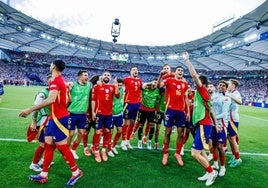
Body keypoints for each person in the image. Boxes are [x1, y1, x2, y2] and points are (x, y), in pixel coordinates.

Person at [19, 59, 83, 186]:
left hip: (59, 119)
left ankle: (76, 172)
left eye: (50, 65)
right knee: (48, 145)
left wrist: (29, 109)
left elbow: (51, 99)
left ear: (53, 66)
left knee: (62, 146)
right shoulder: (62, 81)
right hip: (54, 118)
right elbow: (67, 100)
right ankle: (43, 174)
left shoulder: (55, 80)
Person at [183, 51, 220, 186]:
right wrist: (216, 124)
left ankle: (211, 172)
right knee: (201, 151)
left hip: (204, 124)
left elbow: (193, 75)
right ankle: (208, 171)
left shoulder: (202, 90)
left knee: (194, 153)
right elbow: (210, 109)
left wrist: (187, 60)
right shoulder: (200, 93)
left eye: (197, 79)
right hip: (202, 124)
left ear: (201, 82)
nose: (194, 80)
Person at [157, 66, 190, 166]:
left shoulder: (185, 84)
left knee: (180, 133)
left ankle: (177, 153)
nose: (180, 72)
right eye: (179, 70)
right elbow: (159, 86)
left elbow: (186, 98)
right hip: (170, 110)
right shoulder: (169, 80)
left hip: (181, 112)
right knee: (167, 132)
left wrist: (188, 111)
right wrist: (160, 75)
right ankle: (165, 153)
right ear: (175, 72)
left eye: (182, 71)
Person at [91, 71, 119, 162]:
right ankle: (96, 151)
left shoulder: (112, 87)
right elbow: (93, 100)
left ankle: (103, 150)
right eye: (105, 75)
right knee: (98, 132)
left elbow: (117, 96)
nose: (106, 76)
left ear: (110, 78)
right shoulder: (97, 86)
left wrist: (116, 85)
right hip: (99, 113)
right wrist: (93, 112)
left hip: (109, 114)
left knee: (107, 131)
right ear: (102, 77)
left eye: (108, 75)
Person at [29, 74, 51, 172]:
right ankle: (34, 164)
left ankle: (45, 159)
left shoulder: (57, 92)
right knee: (42, 145)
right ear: (48, 81)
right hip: (43, 123)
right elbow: (35, 109)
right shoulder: (42, 94)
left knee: (51, 144)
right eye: (50, 80)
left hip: (52, 122)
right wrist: (33, 122)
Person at [209, 80, 231, 177]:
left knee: (220, 147)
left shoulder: (226, 99)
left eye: (223, 86)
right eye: (220, 85)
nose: (221, 86)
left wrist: (212, 118)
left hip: (221, 125)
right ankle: (215, 164)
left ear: (226, 88)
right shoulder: (214, 96)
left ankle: (223, 167)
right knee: (213, 146)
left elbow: (224, 114)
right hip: (213, 125)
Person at [68, 70, 91, 159]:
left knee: (81, 133)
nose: (87, 77)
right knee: (71, 134)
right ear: (79, 76)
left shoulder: (89, 85)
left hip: (82, 114)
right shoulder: (73, 85)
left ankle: (73, 150)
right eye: (85, 75)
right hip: (72, 113)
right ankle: (67, 150)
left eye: (87, 75)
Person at [134, 78, 160, 150]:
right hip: (142, 110)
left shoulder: (158, 90)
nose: (155, 84)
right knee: (141, 126)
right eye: (154, 82)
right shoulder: (145, 88)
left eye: (156, 83)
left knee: (152, 126)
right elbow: (141, 86)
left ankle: (149, 142)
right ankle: (139, 141)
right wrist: (150, 83)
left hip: (151, 111)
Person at [121, 66, 143, 151]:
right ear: (130, 72)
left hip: (137, 104)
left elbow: (142, 88)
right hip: (128, 104)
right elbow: (119, 85)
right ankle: (123, 141)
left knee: (132, 123)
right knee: (126, 123)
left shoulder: (139, 80)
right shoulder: (126, 79)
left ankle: (127, 141)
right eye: (134, 70)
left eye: (137, 70)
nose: (136, 71)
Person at [226, 79, 243, 168]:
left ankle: (237, 158)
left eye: (229, 84)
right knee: (230, 139)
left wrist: (230, 96)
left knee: (232, 139)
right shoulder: (229, 92)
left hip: (233, 120)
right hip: (228, 119)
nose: (227, 85)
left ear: (233, 86)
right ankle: (234, 156)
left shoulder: (236, 93)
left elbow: (240, 102)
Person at [110, 78, 124, 156]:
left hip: (119, 114)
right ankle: (109, 148)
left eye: (121, 85)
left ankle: (113, 146)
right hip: (111, 114)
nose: (120, 86)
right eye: (119, 85)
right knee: (110, 133)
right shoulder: (111, 89)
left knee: (119, 131)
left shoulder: (121, 90)